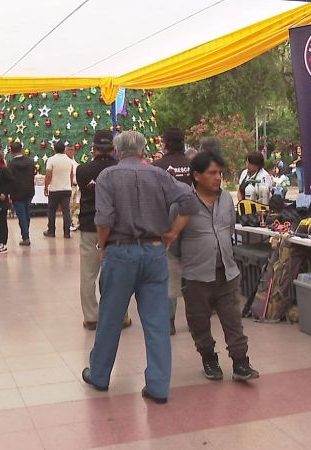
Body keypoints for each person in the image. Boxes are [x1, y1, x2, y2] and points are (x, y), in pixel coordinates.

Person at [82, 131, 198, 404]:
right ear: (143, 151)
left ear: (117, 151)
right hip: (155, 252)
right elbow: (190, 201)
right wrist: (172, 233)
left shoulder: (108, 177)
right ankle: (158, 386)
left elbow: (104, 219)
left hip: (120, 251)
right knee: (157, 322)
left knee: (110, 318)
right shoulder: (159, 175)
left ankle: (99, 375)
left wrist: (102, 246)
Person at [179, 151, 259, 382]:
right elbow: (173, 239)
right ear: (197, 175)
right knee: (199, 322)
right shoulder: (184, 202)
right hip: (196, 275)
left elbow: (229, 228)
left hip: (227, 272)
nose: (218, 178)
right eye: (212, 173)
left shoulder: (226, 199)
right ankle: (208, 358)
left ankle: (240, 362)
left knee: (233, 321)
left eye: (220, 173)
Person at [76, 130, 132, 331]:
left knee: (88, 274)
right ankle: (120, 316)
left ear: (93, 149)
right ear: (114, 149)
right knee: (118, 274)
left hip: (89, 227)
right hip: (116, 228)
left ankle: (91, 317)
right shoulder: (122, 170)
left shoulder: (82, 171)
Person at [153, 128, 192, 336]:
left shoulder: (156, 167)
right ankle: (194, 319)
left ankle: (169, 321)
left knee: (170, 272)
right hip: (192, 225)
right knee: (193, 273)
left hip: (167, 227)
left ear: (165, 144)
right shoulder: (193, 165)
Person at [43, 141, 74, 238]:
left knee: (51, 211)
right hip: (66, 189)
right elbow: (71, 175)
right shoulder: (69, 161)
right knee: (66, 211)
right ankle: (67, 232)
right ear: (64, 149)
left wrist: (46, 186)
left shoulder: (51, 160)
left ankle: (51, 231)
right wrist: (69, 185)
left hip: (54, 190)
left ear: (54, 149)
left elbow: (48, 175)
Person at [8, 142, 35, 246]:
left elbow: (10, 179)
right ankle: (26, 233)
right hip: (29, 191)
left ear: (11, 151)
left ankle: (25, 237)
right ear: (22, 149)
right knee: (27, 214)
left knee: (21, 216)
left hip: (16, 193)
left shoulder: (11, 164)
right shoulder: (30, 162)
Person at [65, 145, 81, 232]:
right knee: (69, 206)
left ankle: (79, 222)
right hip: (69, 186)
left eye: (72, 150)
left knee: (77, 205)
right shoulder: (65, 162)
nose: (71, 152)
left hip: (77, 186)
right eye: (69, 150)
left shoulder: (74, 161)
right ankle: (69, 223)